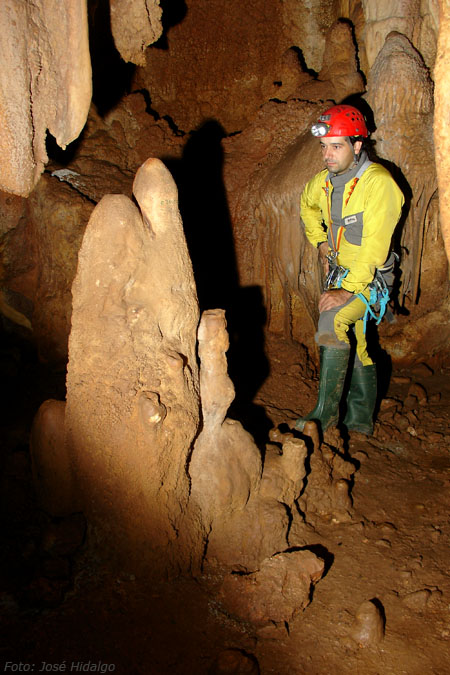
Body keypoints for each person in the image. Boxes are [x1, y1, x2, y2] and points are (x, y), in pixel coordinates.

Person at [294, 103, 404, 435]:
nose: (327, 155)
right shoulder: (325, 182)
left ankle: (325, 417)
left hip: (370, 277)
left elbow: (374, 250)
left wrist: (347, 290)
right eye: (323, 147)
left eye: (336, 146)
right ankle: (360, 421)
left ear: (357, 146)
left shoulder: (379, 184)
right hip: (342, 273)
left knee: (332, 321)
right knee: (357, 340)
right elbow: (307, 205)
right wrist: (320, 241)